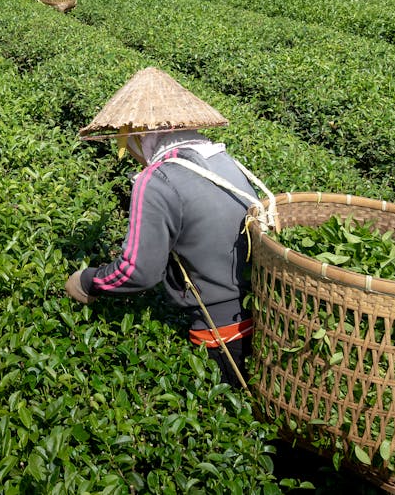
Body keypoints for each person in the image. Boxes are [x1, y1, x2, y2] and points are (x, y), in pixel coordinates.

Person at [66, 67, 263, 389]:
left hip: (216, 330)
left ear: (142, 135)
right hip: (257, 310)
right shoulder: (223, 160)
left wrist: (87, 281)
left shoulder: (157, 179)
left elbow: (136, 272)